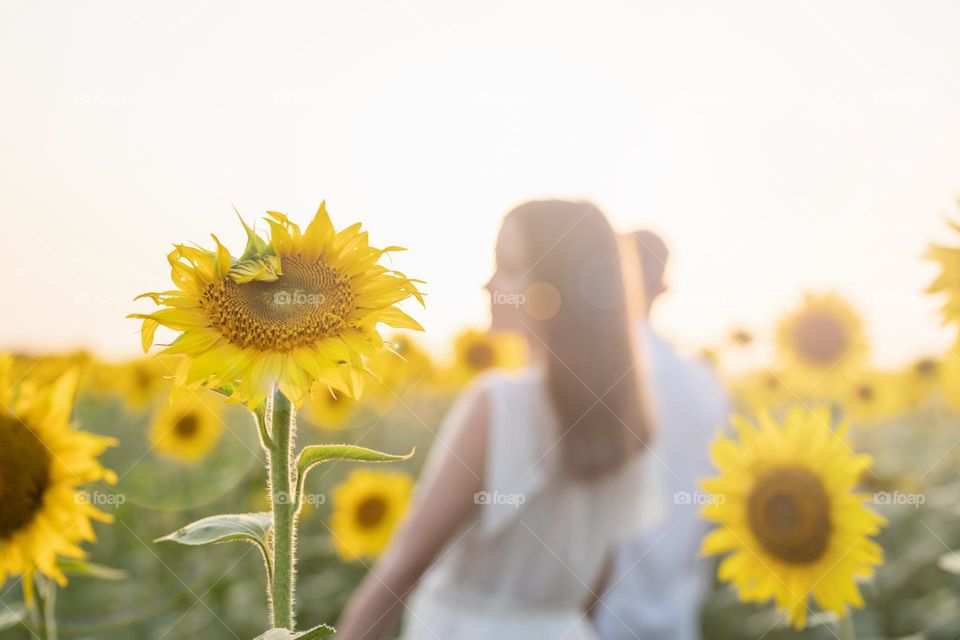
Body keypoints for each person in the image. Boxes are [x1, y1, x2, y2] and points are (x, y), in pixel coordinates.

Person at [334, 200, 655, 640]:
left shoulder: (499, 402)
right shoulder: (630, 415)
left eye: (508, 268)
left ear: (552, 289)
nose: (488, 285)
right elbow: (596, 583)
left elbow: (404, 568)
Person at [594, 230, 731, 640]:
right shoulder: (706, 385)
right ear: (664, 286)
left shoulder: (599, 372)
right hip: (676, 612)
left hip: (603, 614)